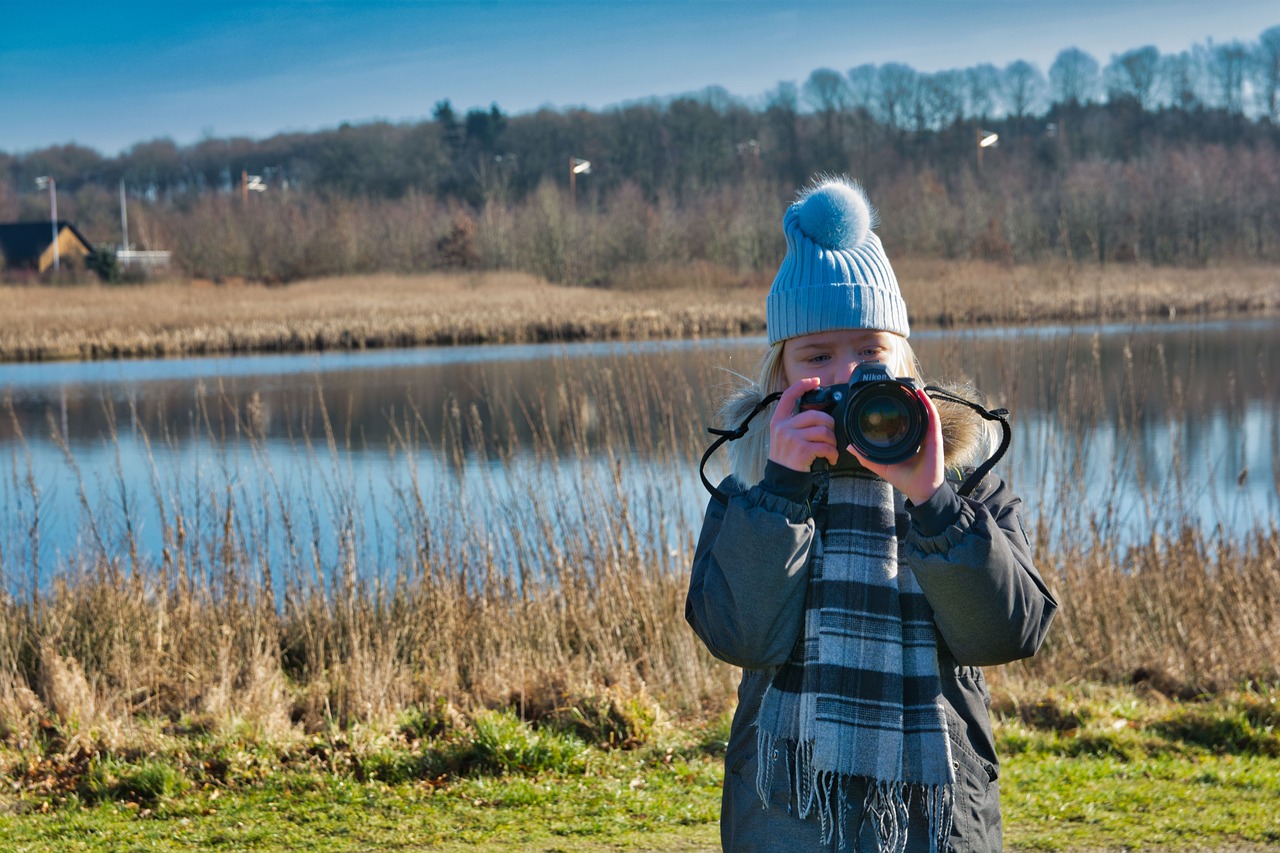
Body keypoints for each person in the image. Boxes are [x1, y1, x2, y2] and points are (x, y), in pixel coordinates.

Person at [686, 176, 1057, 853]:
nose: (847, 373)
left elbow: (1007, 633)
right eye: (817, 356)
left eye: (869, 351)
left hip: (932, 822)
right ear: (781, 379)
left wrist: (934, 500)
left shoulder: (964, 482)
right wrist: (781, 491)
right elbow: (740, 636)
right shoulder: (751, 493)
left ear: (905, 363)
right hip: (787, 817)